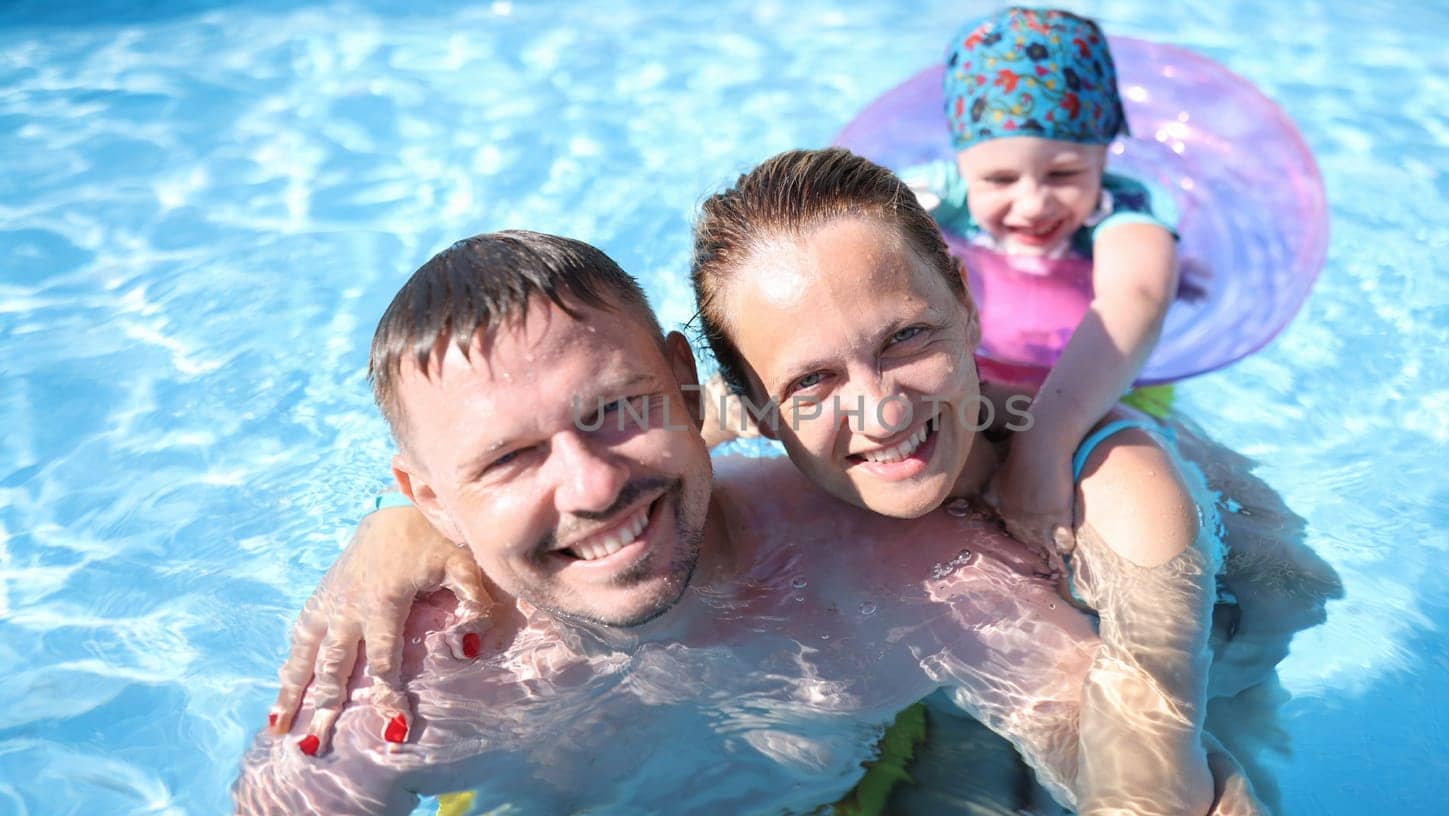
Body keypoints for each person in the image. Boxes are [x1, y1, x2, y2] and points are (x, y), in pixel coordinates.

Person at [233, 230, 1263, 814]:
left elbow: (1133, 758)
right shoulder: (421, 680)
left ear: (685, 385)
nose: (590, 487)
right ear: (428, 500)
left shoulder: (892, 565)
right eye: (508, 460)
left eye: (614, 410)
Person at [692, 147, 1224, 813]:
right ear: (757, 408)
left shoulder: (1114, 486)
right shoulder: (766, 480)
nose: (883, 414)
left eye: (906, 337)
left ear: (966, 304)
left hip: (1213, 673)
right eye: (812, 378)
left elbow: (1158, 768)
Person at [902, 6, 1183, 549]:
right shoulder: (941, 198)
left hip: (1110, 397)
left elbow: (1139, 294)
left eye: (1063, 174)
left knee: (1223, 504)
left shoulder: (1121, 208)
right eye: (1000, 178)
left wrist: (1044, 444)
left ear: (1104, 154)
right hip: (981, 390)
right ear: (962, 164)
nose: (1031, 205)